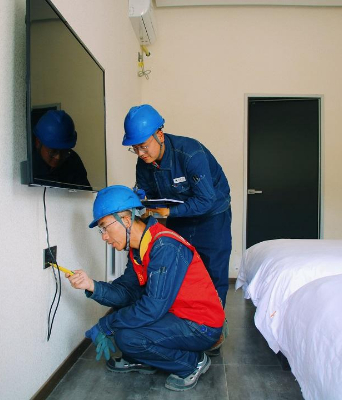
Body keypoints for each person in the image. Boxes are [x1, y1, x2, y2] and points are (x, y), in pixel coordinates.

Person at [65, 185, 224, 391]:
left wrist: (107, 324)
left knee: (128, 338)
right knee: (127, 312)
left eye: (105, 227)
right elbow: (126, 293)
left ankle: (192, 363)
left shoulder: (164, 247)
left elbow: (152, 308)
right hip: (176, 314)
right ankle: (147, 358)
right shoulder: (139, 249)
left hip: (201, 325)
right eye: (101, 230)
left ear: (126, 220)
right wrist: (91, 285)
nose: (104, 236)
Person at [122, 104, 232, 309]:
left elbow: (205, 200)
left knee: (213, 270)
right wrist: (139, 200)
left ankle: (215, 322)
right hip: (179, 215)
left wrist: (169, 212)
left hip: (212, 215)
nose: (140, 153)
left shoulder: (190, 154)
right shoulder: (144, 163)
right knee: (180, 267)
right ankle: (187, 318)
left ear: (159, 135)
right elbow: (148, 194)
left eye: (143, 146)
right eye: (134, 148)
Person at [33, 109, 91, 189]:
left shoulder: (73, 160)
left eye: (64, 151)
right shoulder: (29, 165)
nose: (58, 157)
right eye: (53, 151)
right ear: (38, 143)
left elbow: (85, 192)